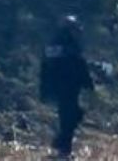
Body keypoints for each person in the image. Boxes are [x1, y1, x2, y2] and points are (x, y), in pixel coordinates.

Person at [39, 14, 94, 158]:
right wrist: (88, 83)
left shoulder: (53, 45)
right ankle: (63, 147)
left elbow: (45, 68)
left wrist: (45, 88)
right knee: (71, 116)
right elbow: (79, 65)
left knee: (69, 115)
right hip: (69, 87)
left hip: (59, 87)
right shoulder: (70, 46)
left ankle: (61, 144)